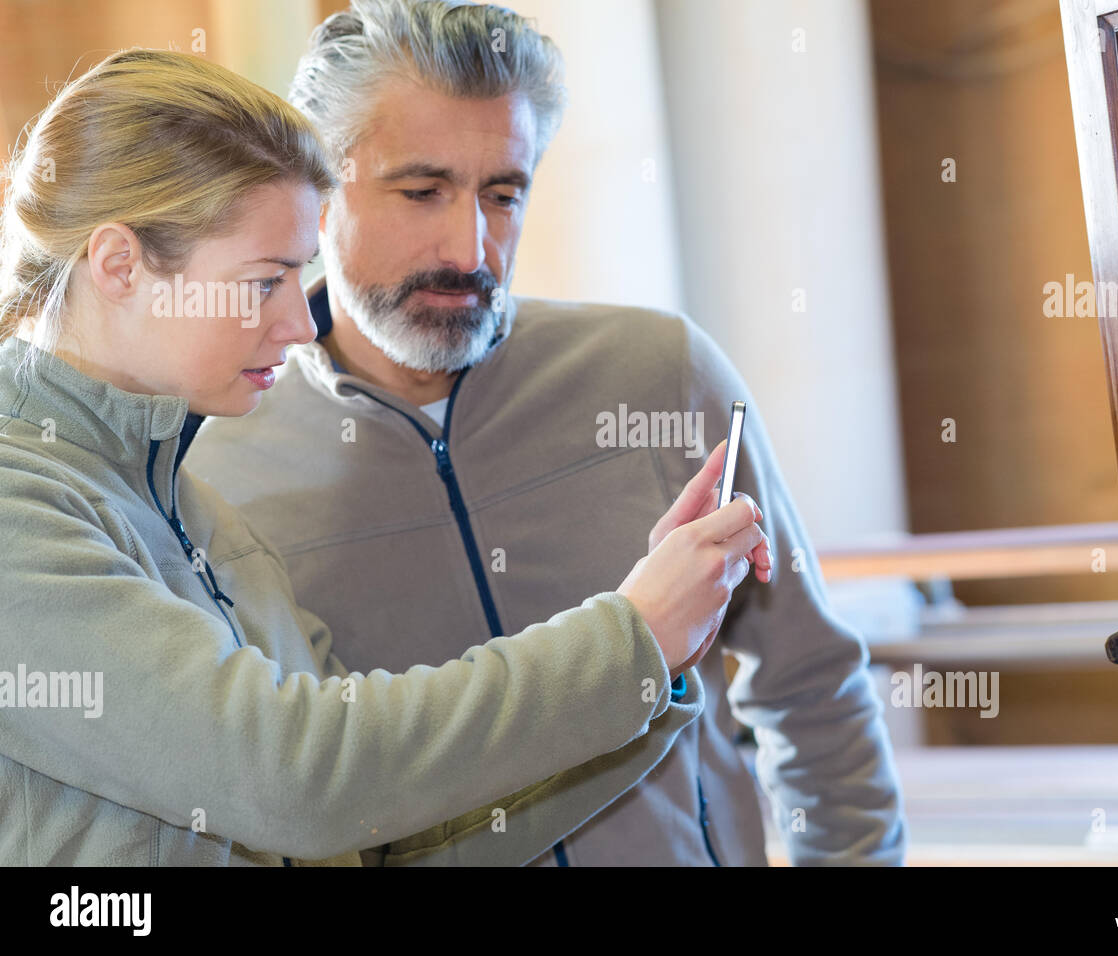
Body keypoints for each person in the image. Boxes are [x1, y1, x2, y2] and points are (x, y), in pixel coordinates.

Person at [0, 47, 771, 867]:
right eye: (266, 281)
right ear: (120, 265)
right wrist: (630, 639)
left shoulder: (194, 511)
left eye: (302, 277)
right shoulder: (18, 511)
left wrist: (653, 671)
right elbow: (292, 778)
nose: (300, 323)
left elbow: (385, 838)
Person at [190, 0, 905, 866]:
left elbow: (810, 683)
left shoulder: (660, 371)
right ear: (315, 191)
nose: (471, 247)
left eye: (503, 192)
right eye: (421, 191)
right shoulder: (213, 469)